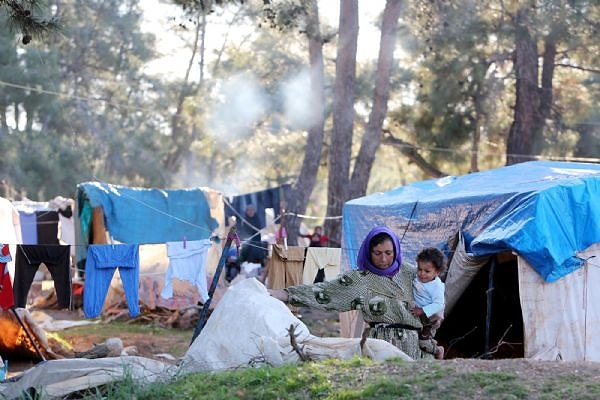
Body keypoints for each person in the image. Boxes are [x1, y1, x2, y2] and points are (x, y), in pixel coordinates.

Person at [269, 226, 430, 360]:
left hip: (416, 344)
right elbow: (326, 292)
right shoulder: (360, 280)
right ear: (369, 252)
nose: (383, 259)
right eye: (377, 253)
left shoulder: (412, 273)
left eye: (388, 253)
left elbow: (434, 296)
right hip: (381, 345)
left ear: (396, 249)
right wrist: (286, 294)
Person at [410, 247, 446, 360]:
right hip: (419, 315)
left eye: (427, 271)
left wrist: (422, 310)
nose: (422, 274)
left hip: (430, 320)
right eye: (419, 269)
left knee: (423, 343)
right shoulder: (417, 277)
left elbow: (439, 304)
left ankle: (438, 351)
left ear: (437, 272)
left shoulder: (436, 287)